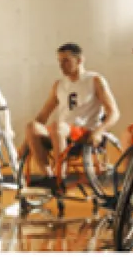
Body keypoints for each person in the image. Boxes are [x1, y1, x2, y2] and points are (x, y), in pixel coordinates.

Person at [25, 43, 120, 187]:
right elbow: (43, 116)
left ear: (80, 60)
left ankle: (60, 177)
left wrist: (100, 131)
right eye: (60, 61)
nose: (61, 65)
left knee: (57, 127)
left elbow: (114, 113)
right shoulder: (59, 85)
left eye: (66, 61)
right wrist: (25, 143)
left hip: (84, 131)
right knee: (32, 126)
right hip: (61, 132)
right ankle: (48, 176)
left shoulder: (94, 80)